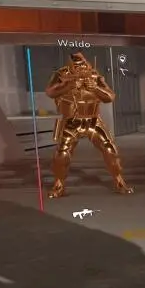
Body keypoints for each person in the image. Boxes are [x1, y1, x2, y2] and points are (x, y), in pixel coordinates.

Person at [44, 52, 133, 198]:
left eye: (83, 64)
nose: (81, 67)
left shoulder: (95, 75)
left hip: (93, 120)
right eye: (77, 65)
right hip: (71, 121)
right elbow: (50, 92)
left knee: (110, 149)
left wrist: (95, 88)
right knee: (62, 153)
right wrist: (68, 86)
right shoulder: (61, 74)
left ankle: (119, 181)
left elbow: (110, 97)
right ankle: (59, 185)